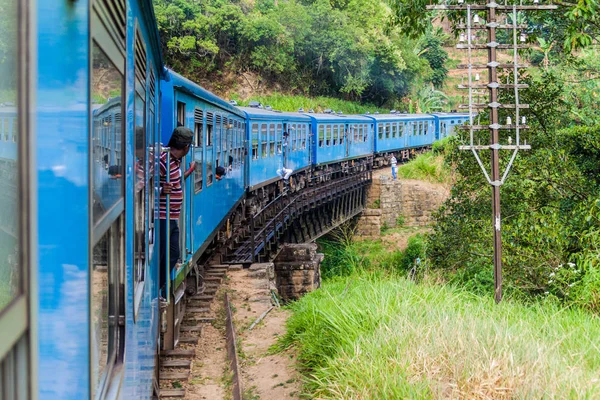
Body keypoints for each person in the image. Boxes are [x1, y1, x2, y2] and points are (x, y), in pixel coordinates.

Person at [159, 126, 196, 290]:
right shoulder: (163, 161)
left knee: (173, 254)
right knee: (166, 256)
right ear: (186, 147)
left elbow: (175, 183)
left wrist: (188, 171)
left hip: (172, 217)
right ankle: (157, 289)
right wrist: (160, 190)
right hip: (162, 217)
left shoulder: (175, 162)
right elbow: (142, 185)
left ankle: (158, 287)